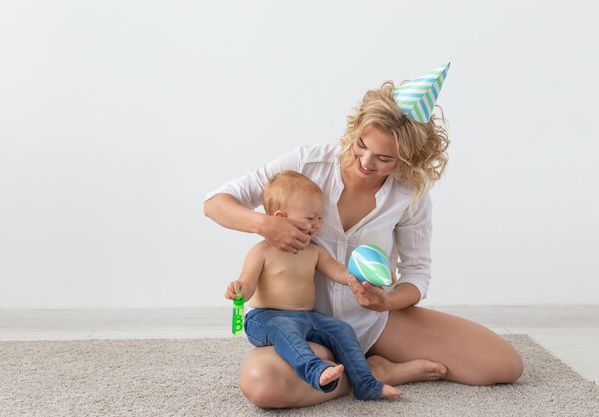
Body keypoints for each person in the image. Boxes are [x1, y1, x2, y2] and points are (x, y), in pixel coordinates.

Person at [203, 66, 524, 408]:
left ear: (407, 158)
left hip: (376, 323)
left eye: (384, 158)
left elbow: (417, 274)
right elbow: (215, 203)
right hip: (308, 327)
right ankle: (371, 374)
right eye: (361, 146)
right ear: (355, 130)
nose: (366, 162)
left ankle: (363, 367)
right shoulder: (307, 164)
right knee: (262, 385)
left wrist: (387, 301)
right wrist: (265, 225)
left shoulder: (408, 195)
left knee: (504, 364)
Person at [224, 170, 402, 401]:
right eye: (310, 218)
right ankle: (315, 370)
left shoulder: (313, 251)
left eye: (320, 218)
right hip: (266, 318)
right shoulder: (262, 252)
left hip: (307, 317)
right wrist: (238, 289)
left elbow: (339, 271)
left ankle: (366, 385)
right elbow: (247, 286)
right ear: (280, 216)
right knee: (284, 329)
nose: (317, 224)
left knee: (342, 330)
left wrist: (364, 275)